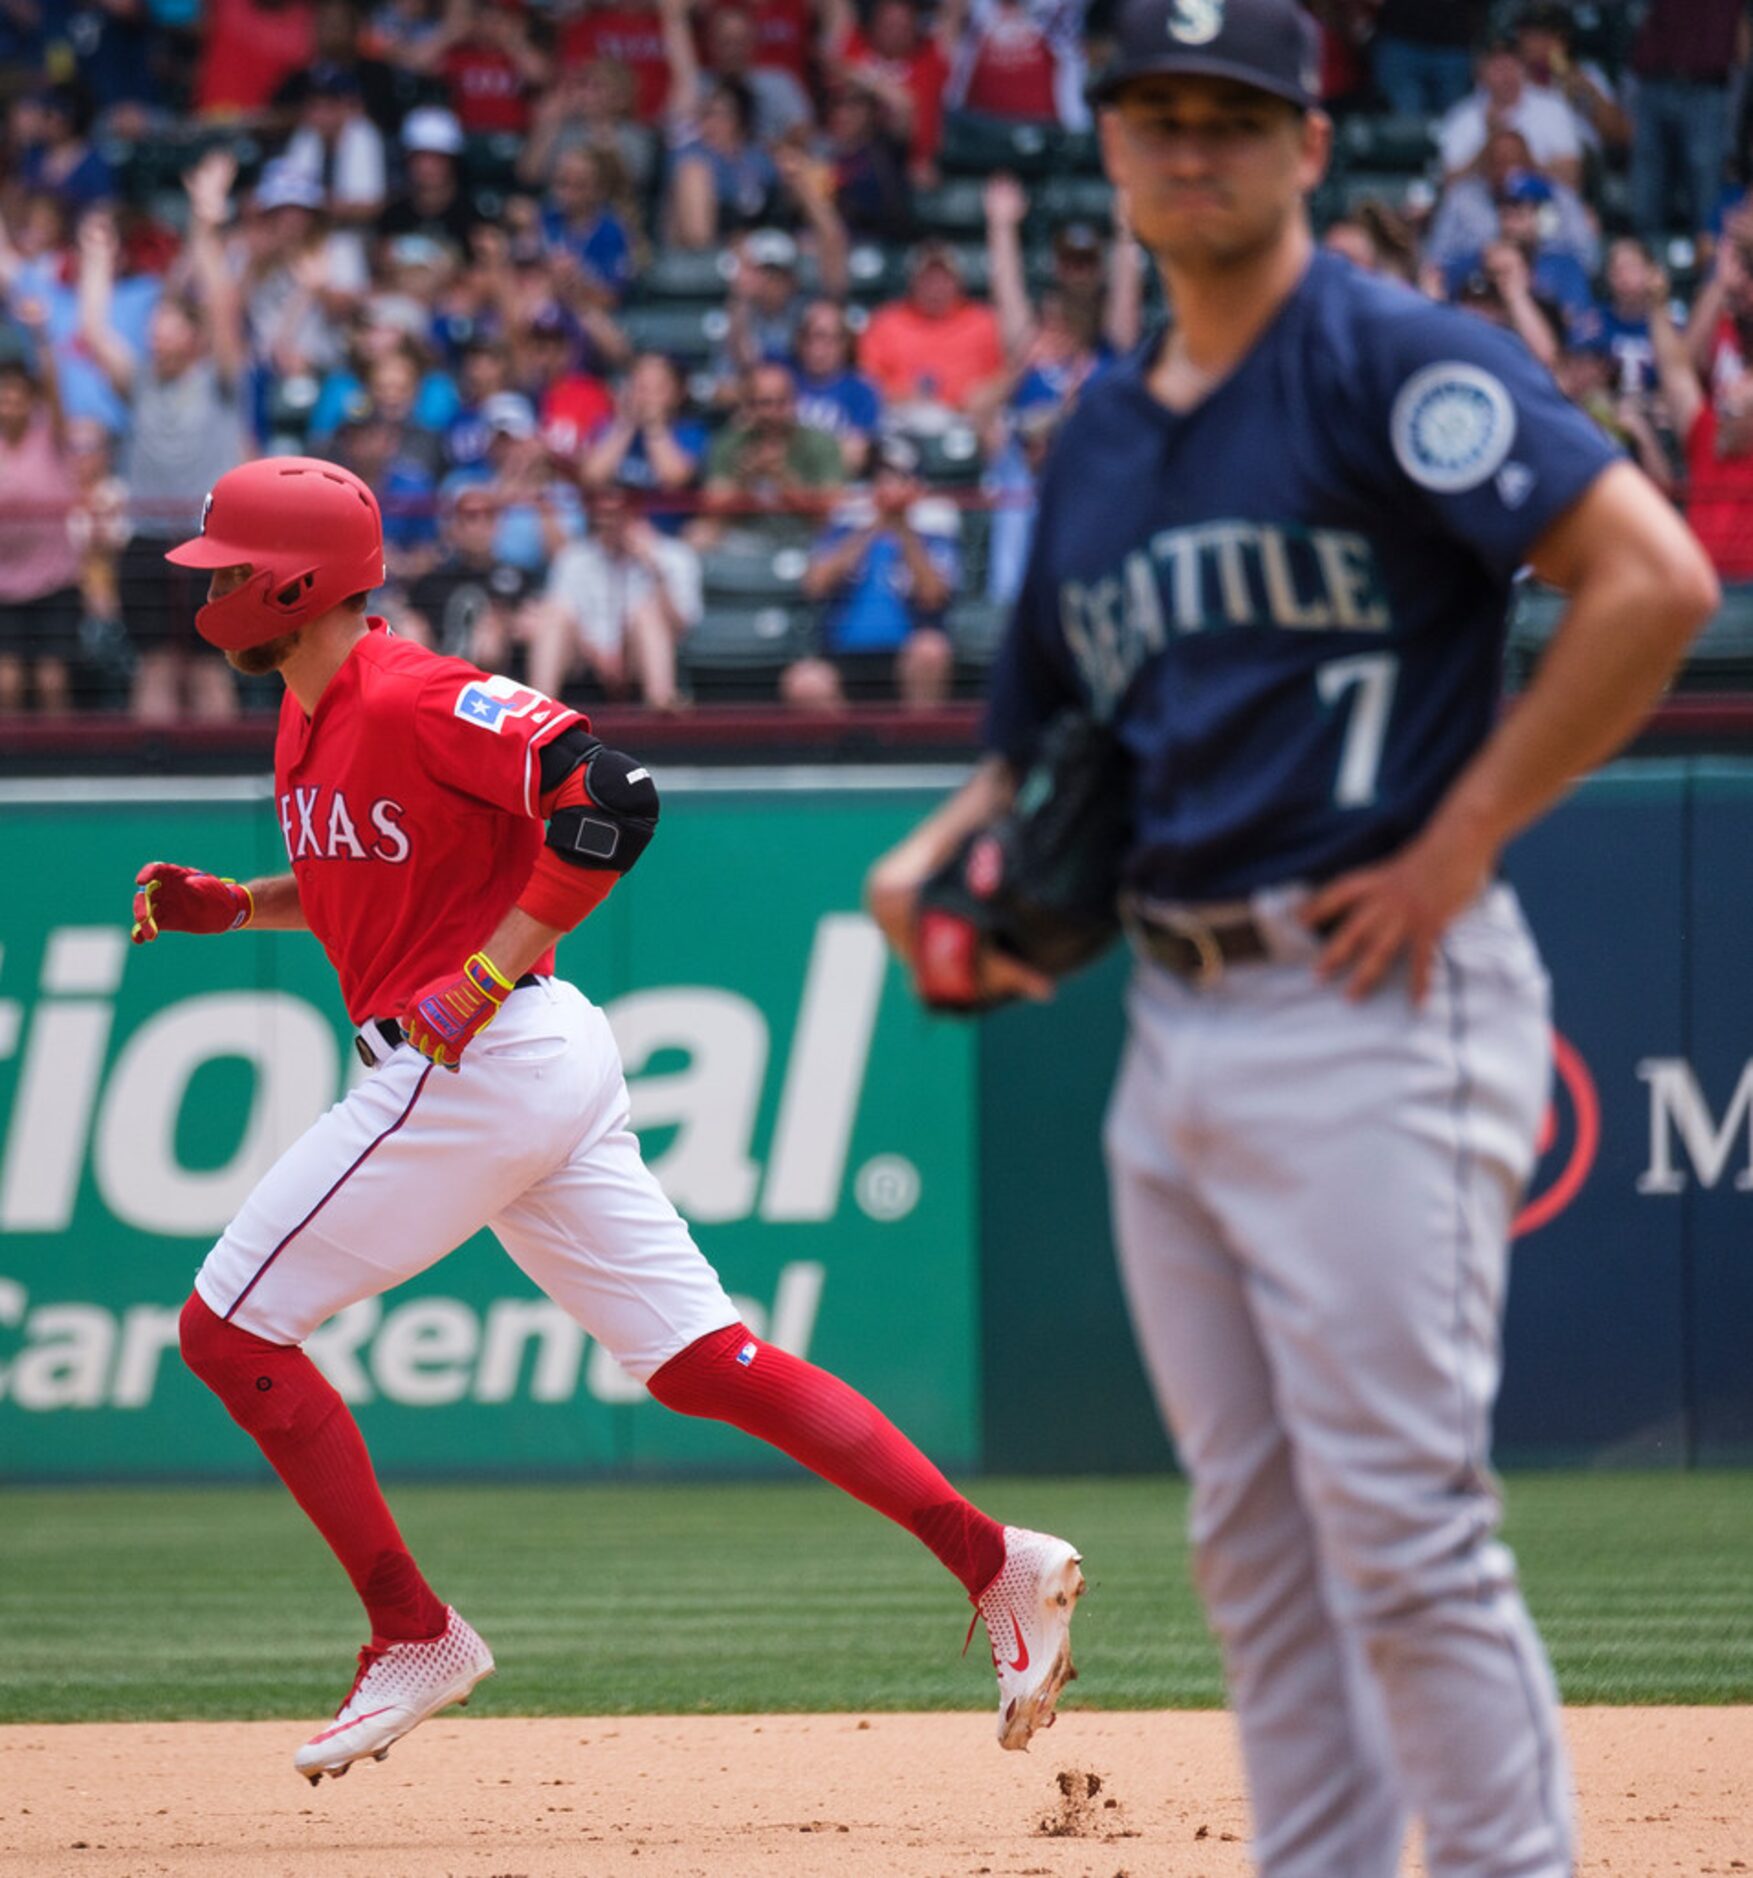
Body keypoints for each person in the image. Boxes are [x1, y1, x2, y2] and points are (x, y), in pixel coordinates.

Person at [865, 3, 1720, 1873]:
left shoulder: (1386, 359)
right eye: (1155, 115)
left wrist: (1456, 838)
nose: (1192, 150)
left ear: (1308, 146)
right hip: (1174, 1024)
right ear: (1103, 148)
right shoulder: (1098, 437)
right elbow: (1045, 751)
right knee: (1252, 1549)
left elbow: (1649, 575)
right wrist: (950, 879)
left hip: (1374, 996)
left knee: (1400, 1528)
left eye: (1232, 117)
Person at [127, 452, 1084, 1784]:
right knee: (701, 1360)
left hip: (479, 1056)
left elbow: (611, 798)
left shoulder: (410, 688)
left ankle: (413, 1629)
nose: (208, 588)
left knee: (226, 1329)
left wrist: (486, 970)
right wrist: (243, 901)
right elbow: (370, 865)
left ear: (296, 579)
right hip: (522, 1063)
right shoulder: (305, 711)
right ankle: (999, 1562)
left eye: (225, 567)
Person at [788, 433, 959, 708]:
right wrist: (873, 526)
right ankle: (843, 751)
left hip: (906, 651)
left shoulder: (935, 522)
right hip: (843, 652)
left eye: (896, 476)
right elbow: (815, 585)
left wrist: (902, 528)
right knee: (805, 682)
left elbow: (933, 595)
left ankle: (918, 748)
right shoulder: (846, 519)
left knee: (931, 650)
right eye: (879, 476)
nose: (885, 485)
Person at [527, 484, 701, 706]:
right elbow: (567, 615)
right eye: (602, 516)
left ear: (636, 515)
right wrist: (599, 655)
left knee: (646, 613)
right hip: (584, 655)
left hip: (642, 655)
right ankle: (540, 708)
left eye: (616, 515)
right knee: (554, 613)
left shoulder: (675, 555)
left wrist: (653, 568)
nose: (608, 523)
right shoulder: (574, 557)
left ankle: (662, 700)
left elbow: (681, 626)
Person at [0, 316, 81, 712]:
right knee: (6, 682)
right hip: (4, 585)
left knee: (52, 679)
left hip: (54, 580)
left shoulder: (50, 437)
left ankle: (60, 765)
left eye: (17, 396)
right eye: (3, 396)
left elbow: (55, 393)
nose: (9, 404)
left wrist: (42, 338)